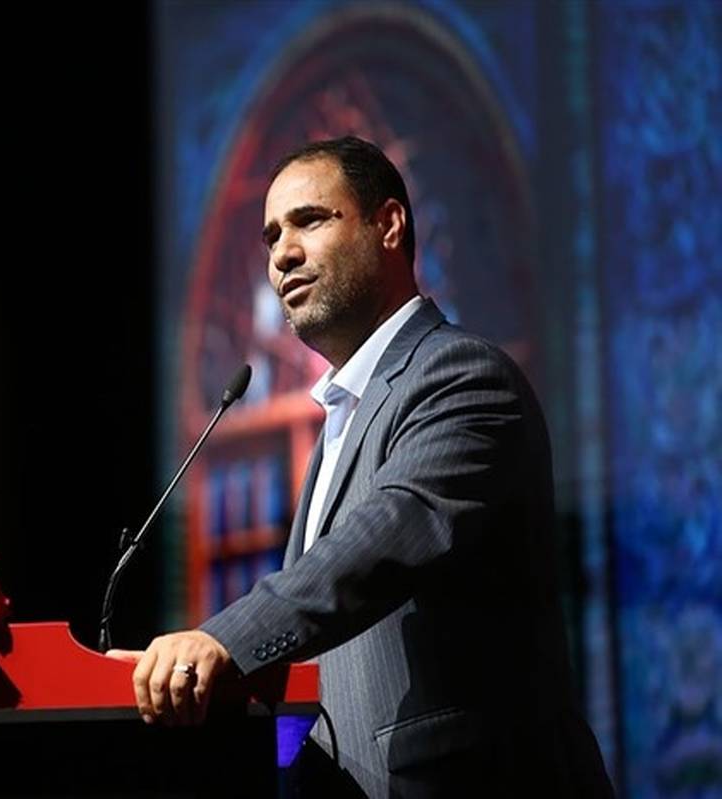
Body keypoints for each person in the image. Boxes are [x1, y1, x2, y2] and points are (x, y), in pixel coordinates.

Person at [107, 136, 614, 797]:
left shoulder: (461, 376)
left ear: (389, 225)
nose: (283, 253)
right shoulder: (341, 420)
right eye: (271, 237)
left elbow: (384, 539)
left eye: (309, 221)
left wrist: (225, 640)